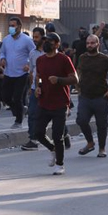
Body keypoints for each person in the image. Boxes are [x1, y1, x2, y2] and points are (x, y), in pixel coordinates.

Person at [34, 33, 78, 175]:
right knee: (38, 132)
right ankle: (52, 149)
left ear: (57, 44)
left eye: (51, 42)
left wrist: (59, 79)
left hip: (60, 102)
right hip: (44, 101)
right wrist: (38, 87)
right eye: (45, 41)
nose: (47, 43)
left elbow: (74, 79)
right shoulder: (40, 60)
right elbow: (39, 77)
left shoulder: (64, 59)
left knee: (57, 135)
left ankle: (60, 164)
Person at [76, 34, 108, 158]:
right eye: (88, 43)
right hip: (85, 96)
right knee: (81, 120)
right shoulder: (82, 57)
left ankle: (102, 148)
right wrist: (78, 85)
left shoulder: (104, 59)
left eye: (92, 43)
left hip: (101, 96)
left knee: (101, 124)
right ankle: (90, 143)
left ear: (97, 44)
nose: (89, 45)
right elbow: (78, 70)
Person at [0, 17, 36, 128]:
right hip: (8, 73)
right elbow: (2, 53)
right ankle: (20, 109)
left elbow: (34, 53)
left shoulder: (26, 40)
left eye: (13, 25)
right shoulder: (6, 39)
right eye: (9, 25)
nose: (11, 28)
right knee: (5, 97)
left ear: (19, 27)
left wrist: (28, 64)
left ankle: (18, 121)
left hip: (22, 74)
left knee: (17, 97)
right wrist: (2, 59)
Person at [21, 27, 45, 151]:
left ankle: (63, 133)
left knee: (53, 114)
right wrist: (31, 87)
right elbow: (32, 72)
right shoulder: (32, 53)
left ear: (43, 37)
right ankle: (33, 139)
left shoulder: (49, 52)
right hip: (36, 88)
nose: (35, 40)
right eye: (33, 37)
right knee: (32, 113)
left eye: (37, 37)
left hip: (48, 88)